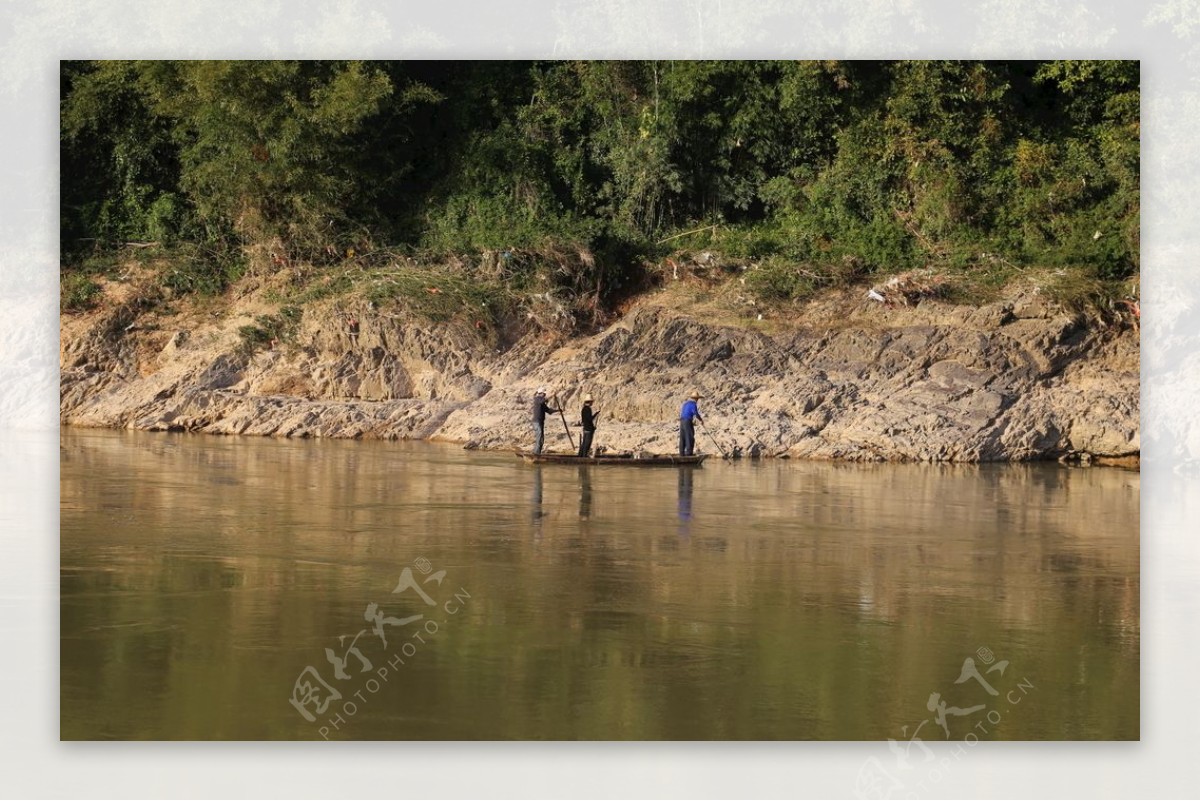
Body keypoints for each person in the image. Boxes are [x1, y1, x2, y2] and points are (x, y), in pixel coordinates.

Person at [531, 387, 559, 455]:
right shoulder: (537, 399)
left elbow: (549, 411)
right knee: (539, 436)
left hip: (540, 422)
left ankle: (538, 452)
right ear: (541, 393)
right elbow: (543, 401)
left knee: (541, 439)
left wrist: (558, 410)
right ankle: (536, 453)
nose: (545, 395)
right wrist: (552, 395)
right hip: (537, 422)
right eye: (544, 394)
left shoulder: (542, 402)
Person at [679, 390, 704, 456]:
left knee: (683, 437)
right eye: (697, 398)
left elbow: (684, 413)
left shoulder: (685, 403)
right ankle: (689, 453)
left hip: (682, 421)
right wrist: (701, 420)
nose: (697, 400)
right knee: (689, 436)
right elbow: (695, 413)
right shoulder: (693, 404)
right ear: (696, 399)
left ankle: (681, 453)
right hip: (687, 420)